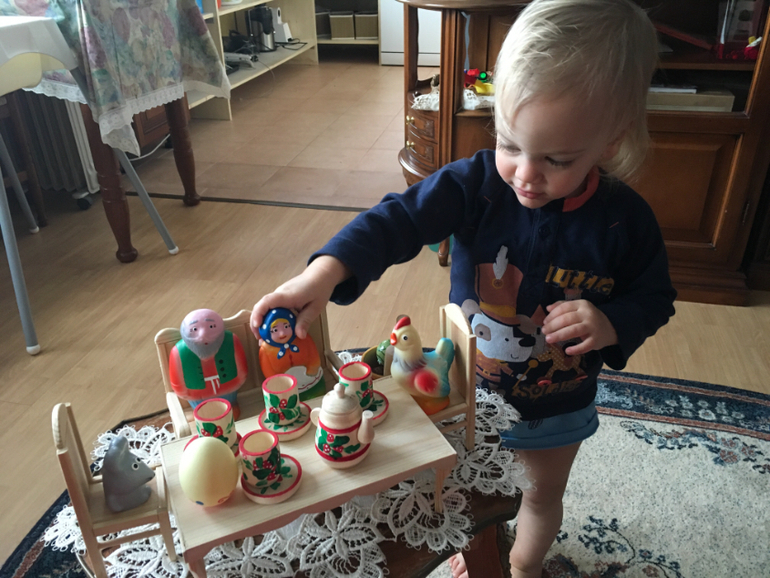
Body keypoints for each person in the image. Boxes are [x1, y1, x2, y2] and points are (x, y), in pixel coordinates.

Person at [251, 0, 676, 575]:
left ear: (610, 140)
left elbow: (654, 298)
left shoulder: (627, 221)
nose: (525, 173)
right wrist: (322, 273)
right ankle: (474, 544)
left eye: (555, 159)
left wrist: (611, 323)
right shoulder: (475, 185)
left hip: (557, 406)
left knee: (540, 497)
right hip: (467, 395)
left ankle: (522, 567)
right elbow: (397, 220)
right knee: (460, 488)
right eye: (510, 144)